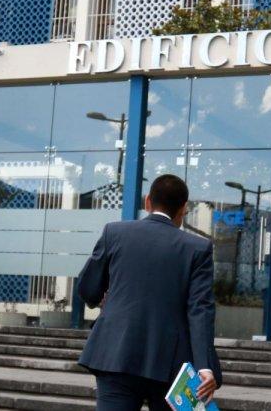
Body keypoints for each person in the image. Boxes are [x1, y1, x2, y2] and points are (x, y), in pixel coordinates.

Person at [77, 174, 222, 410]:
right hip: (171, 365)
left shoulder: (114, 233)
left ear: (147, 201)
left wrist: (101, 298)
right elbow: (200, 311)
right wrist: (204, 366)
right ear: (183, 209)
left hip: (115, 354)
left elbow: (88, 288)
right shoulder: (197, 248)